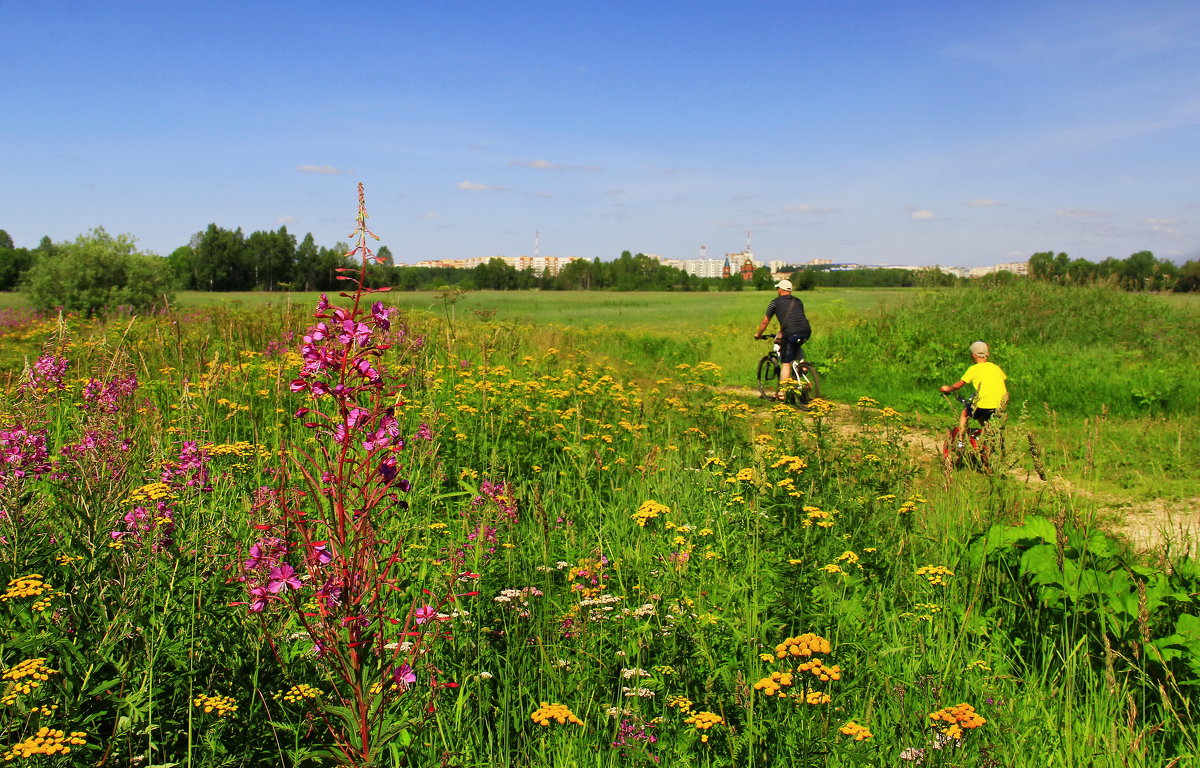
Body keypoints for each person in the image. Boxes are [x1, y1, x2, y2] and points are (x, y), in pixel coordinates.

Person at [753, 278, 812, 401]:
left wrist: (758, 334)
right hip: (806, 331)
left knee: (786, 363)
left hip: (791, 333)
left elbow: (765, 321)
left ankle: (782, 394)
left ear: (780, 290)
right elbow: (793, 319)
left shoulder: (774, 303)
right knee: (797, 355)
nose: (777, 290)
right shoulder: (798, 301)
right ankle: (802, 372)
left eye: (777, 288)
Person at [939, 341, 1008, 444]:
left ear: (974, 355)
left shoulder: (973, 369)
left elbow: (959, 385)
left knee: (965, 413)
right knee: (983, 418)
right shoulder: (996, 368)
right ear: (987, 354)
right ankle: (990, 435)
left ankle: (960, 441)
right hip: (1000, 404)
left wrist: (948, 388)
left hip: (984, 403)